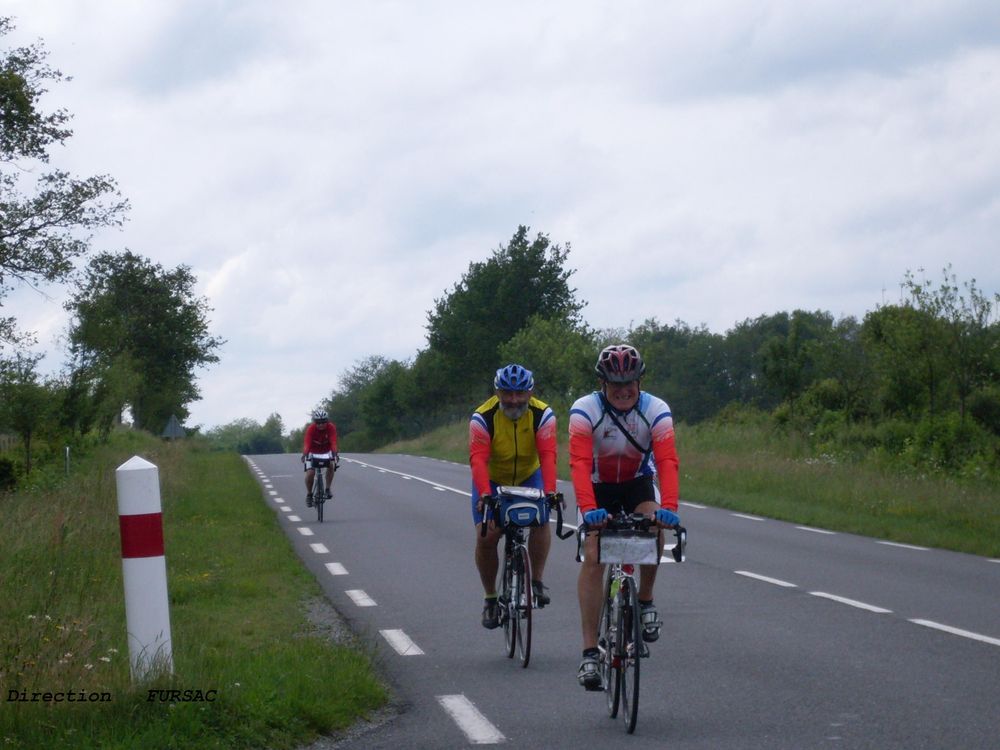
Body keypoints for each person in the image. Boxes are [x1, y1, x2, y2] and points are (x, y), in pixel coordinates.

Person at [569, 344, 680, 690]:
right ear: (602, 384)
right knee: (594, 555)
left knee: (654, 526)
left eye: (629, 383)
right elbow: (580, 464)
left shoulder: (656, 410)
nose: (623, 390)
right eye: (615, 384)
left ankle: (645, 600)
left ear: (639, 382)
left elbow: (667, 461)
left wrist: (670, 508)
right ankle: (590, 652)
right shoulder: (585, 410)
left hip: (637, 483)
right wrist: (589, 511)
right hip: (597, 487)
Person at [470, 363, 558, 629]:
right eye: (507, 393)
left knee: (541, 519)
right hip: (493, 478)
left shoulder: (543, 414)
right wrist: (485, 494)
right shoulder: (482, 418)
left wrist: (550, 491)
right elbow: (478, 459)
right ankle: (490, 598)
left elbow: (548, 455)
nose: (514, 400)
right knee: (487, 535)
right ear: (497, 392)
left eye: (520, 394)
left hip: (529, 475)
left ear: (530, 393)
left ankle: (536, 582)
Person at [302, 409, 338, 507]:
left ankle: (327, 489)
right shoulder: (311, 429)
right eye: (318, 423)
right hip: (313, 452)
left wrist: (335, 453)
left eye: (323, 422)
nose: (321, 425)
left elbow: (333, 442)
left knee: (331, 465)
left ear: (327, 421)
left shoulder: (331, 427)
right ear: (315, 422)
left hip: (326, 451)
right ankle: (309, 494)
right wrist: (305, 454)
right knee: (310, 473)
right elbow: (307, 443)